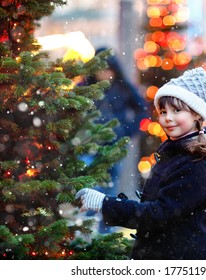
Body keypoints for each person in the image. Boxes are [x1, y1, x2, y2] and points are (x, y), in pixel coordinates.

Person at [75, 67, 206, 259]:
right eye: (163, 111)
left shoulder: (195, 164)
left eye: (177, 110)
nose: (167, 118)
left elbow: (157, 214)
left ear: (196, 115)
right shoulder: (177, 152)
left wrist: (104, 203)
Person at [80, 47, 148, 233]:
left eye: (107, 69)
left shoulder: (123, 87)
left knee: (109, 187)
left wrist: (126, 130)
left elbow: (143, 110)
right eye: (100, 69)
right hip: (88, 146)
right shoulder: (85, 87)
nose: (104, 74)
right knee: (87, 186)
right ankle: (87, 227)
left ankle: (104, 231)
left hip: (113, 146)